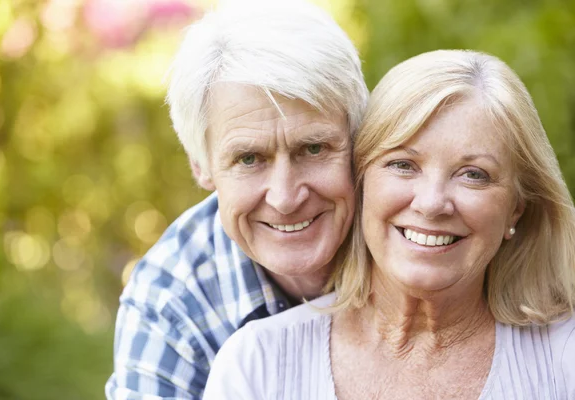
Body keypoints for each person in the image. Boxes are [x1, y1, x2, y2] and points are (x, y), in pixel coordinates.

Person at [203, 49, 575, 399]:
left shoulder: (563, 360)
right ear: (360, 181)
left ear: (516, 209)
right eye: (402, 165)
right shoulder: (257, 364)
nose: (431, 204)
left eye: (473, 175)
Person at [105, 0, 369, 399]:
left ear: (358, 138)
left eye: (313, 149)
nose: (285, 197)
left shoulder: (414, 232)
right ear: (201, 166)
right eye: (249, 159)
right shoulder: (171, 304)